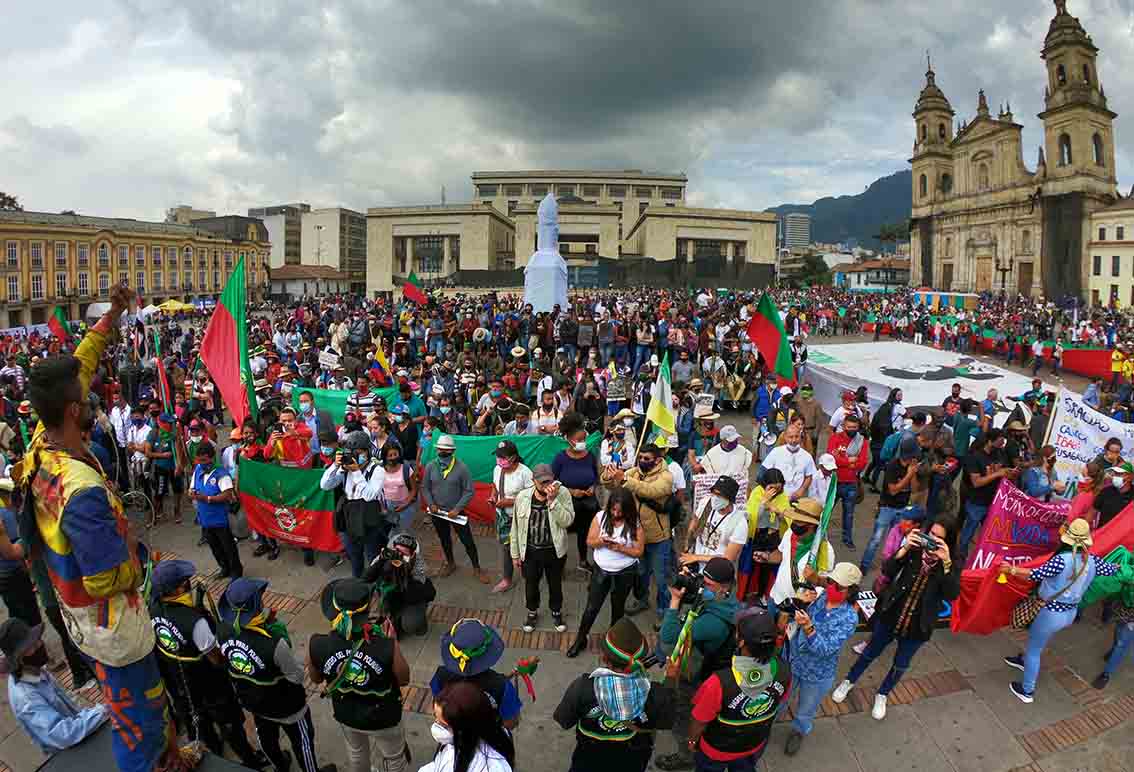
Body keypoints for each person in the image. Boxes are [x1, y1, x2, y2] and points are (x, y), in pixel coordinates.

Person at [21, 283, 187, 772]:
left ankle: (166, 757)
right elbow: (106, 578)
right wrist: (138, 555)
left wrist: (111, 315)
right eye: (86, 396)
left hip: (79, 618)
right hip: (111, 627)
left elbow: (83, 362)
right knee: (140, 717)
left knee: (141, 707)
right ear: (76, 410)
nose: (94, 393)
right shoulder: (82, 492)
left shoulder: (41, 441)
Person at [833, 516, 960, 721]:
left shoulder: (952, 561)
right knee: (870, 651)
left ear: (948, 542)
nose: (932, 541)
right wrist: (904, 548)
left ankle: (882, 693)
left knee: (901, 663)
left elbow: (952, 594)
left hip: (918, 626)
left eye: (938, 539)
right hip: (892, 614)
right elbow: (888, 571)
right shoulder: (915, 549)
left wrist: (946, 562)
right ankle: (849, 680)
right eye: (931, 535)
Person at [148, 561, 266, 768]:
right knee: (230, 725)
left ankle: (215, 751)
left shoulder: (153, 607)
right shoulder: (195, 622)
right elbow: (216, 658)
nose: (189, 584)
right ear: (176, 589)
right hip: (210, 686)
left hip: (181, 686)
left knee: (201, 725)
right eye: (186, 582)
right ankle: (250, 759)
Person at [217, 578, 336, 772]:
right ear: (256, 605)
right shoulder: (274, 643)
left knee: (267, 742)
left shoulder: (221, 629)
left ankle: (280, 767)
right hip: (288, 708)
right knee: (303, 744)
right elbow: (296, 676)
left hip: (255, 705)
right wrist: (277, 632)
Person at [1000, 518, 1119, 703]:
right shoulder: (1094, 561)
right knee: (1038, 640)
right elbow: (1113, 569)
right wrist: (1123, 565)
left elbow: (1034, 575)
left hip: (1050, 613)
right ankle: (1023, 662)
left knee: (1034, 649)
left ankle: (1027, 691)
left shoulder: (1061, 560)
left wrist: (1011, 570)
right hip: (1069, 613)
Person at [307, 578, 410, 772]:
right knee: (393, 757)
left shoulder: (317, 644)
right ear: (366, 611)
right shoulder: (386, 645)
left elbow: (316, 679)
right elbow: (404, 679)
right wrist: (393, 644)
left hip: (346, 713)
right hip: (384, 716)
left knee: (356, 753)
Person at [554, 617, 676, 772]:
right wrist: (671, 681)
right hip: (632, 762)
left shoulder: (582, 688)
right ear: (640, 659)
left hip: (587, 761)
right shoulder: (655, 694)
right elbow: (667, 721)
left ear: (605, 658)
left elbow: (564, 720)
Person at [655, 557, 741, 771]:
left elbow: (668, 638)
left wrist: (675, 601)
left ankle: (686, 754)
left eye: (709, 585)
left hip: (694, 675)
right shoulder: (728, 600)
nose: (703, 587)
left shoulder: (714, 622)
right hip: (710, 667)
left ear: (724, 586)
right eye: (703, 581)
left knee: (681, 714)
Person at [679, 608, 789, 772]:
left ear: (741, 641)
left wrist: (692, 741)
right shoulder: (784, 670)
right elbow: (779, 700)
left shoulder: (718, 683)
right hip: (754, 744)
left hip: (716, 750)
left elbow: (699, 720)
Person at [783, 563, 861, 756]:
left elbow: (825, 649)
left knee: (806, 708)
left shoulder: (849, 618)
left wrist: (809, 627)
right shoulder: (825, 594)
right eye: (831, 582)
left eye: (838, 586)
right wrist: (803, 603)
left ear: (850, 590)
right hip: (794, 659)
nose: (832, 587)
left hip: (817, 672)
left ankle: (799, 731)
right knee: (780, 698)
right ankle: (765, 723)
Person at [0, 618, 108, 754]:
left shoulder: (33, 671)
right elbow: (63, 735)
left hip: (81, 737)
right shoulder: (26, 698)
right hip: (71, 753)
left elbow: (65, 701)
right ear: (19, 658)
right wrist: (100, 712)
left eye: (37, 641)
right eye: (31, 647)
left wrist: (87, 715)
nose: (39, 645)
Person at [566, 488, 646, 657]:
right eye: (613, 509)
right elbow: (589, 541)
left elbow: (639, 551)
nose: (616, 514)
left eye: (620, 511)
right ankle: (581, 638)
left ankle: (613, 642)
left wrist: (620, 548)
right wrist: (601, 541)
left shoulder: (634, 522)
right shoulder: (601, 517)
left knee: (618, 609)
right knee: (591, 608)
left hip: (624, 572)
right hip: (601, 571)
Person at [601, 444, 674, 620]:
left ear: (657, 460)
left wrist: (625, 480)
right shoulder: (634, 472)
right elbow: (612, 486)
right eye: (640, 457)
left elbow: (650, 491)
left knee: (661, 577)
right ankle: (642, 600)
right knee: (641, 574)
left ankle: (664, 610)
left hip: (658, 538)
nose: (642, 461)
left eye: (646, 458)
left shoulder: (666, 476)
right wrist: (608, 476)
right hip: (637, 536)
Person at [511, 463, 575, 634]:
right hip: (531, 551)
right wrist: (515, 554)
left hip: (554, 551)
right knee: (531, 584)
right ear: (533, 481)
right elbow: (516, 528)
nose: (546, 486)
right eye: (542, 483)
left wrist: (553, 501)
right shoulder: (523, 497)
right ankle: (532, 612)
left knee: (555, 584)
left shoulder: (563, 494)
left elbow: (567, 521)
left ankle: (556, 611)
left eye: (549, 482)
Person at [429, 619, 524, 731]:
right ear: (489, 654)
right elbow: (510, 722)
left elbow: (437, 705)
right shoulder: (503, 687)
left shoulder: (441, 675)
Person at [422, 434, 488, 583]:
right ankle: (450, 563)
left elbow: (469, 491)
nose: (442, 453)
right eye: (440, 449)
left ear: (452, 451)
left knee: (467, 540)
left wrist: (458, 509)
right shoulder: (431, 466)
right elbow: (425, 487)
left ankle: (477, 568)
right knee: (444, 538)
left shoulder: (461, 468)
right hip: (437, 512)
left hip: (456, 513)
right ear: (437, 449)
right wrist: (431, 503)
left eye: (446, 450)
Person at [321, 431, 386, 579]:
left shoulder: (378, 470)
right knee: (354, 556)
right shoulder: (345, 467)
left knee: (372, 556)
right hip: (348, 515)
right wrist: (334, 466)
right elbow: (325, 485)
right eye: (351, 453)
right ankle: (358, 583)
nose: (355, 456)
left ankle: (374, 584)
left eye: (359, 453)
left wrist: (356, 472)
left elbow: (369, 496)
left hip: (368, 516)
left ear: (368, 452)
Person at [420, 681, 515, 772]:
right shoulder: (493, 732)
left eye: (443, 725)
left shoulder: (493, 768)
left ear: (463, 729)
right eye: (435, 717)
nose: (436, 725)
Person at [551, 413, 601, 572]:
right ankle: (560, 564)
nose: (582, 443)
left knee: (585, 533)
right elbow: (553, 482)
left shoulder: (590, 456)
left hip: (588, 505)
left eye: (584, 439)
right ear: (568, 439)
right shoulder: (560, 459)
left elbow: (596, 478)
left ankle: (583, 560)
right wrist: (571, 491)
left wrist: (593, 487)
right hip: (567, 505)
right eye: (579, 440)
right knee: (563, 535)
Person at [958, 428, 1018, 559]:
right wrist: (998, 473)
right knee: (968, 532)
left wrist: (1008, 472)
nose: (1002, 444)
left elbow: (1001, 470)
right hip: (976, 502)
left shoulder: (999, 453)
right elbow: (977, 482)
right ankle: (960, 557)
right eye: (1000, 441)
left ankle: (980, 556)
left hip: (993, 502)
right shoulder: (974, 457)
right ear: (990, 441)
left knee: (988, 532)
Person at [188, 442, 243, 579]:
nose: (201, 463)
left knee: (228, 547)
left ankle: (236, 571)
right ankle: (224, 568)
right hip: (205, 519)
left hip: (220, 519)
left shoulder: (221, 473)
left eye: (204, 460)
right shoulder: (198, 470)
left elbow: (227, 494)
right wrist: (191, 493)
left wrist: (207, 498)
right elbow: (192, 487)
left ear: (211, 458)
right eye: (199, 460)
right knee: (215, 548)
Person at [365, 531, 436, 637]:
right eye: (397, 551)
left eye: (403, 554)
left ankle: (419, 626)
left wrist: (405, 573)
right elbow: (366, 579)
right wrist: (381, 561)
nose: (398, 555)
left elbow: (415, 595)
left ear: (412, 556)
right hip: (389, 595)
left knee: (411, 624)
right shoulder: (386, 555)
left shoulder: (419, 566)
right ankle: (394, 622)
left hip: (410, 598)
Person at [490, 440, 532, 594]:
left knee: (524, 545)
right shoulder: (497, 469)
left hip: (520, 518)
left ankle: (529, 572)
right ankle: (507, 579)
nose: (499, 460)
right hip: (503, 518)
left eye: (503, 457)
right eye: (498, 456)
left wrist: (510, 502)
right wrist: (493, 496)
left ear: (513, 457)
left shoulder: (525, 473)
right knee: (506, 548)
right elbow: (494, 486)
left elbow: (532, 498)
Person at [680, 476, 747, 566]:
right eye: (714, 493)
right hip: (695, 564)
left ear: (730, 499)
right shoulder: (707, 504)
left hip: (716, 571)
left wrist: (696, 557)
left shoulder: (739, 523)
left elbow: (728, 558)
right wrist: (688, 541)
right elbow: (695, 520)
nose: (715, 498)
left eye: (719, 495)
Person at [827, 413, 868, 549]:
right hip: (834, 481)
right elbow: (831, 458)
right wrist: (848, 461)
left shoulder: (862, 441)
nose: (852, 429)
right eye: (849, 427)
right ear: (843, 426)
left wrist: (842, 461)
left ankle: (847, 538)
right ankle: (819, 534)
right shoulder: (835, 438)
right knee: (827, 510)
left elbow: (862, 462)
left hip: (851, 483)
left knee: (849, 514)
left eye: (854, 427)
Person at [760, 424, 815, 502]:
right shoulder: (776, 452)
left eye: (796, 436)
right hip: (777, 497)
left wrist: (801, 491)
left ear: (800, 437)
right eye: (790, 437)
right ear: (785, 437)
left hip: (796, 499)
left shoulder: (807, 456)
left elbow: (809, 476)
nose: (793, 440)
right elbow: (764, 472)